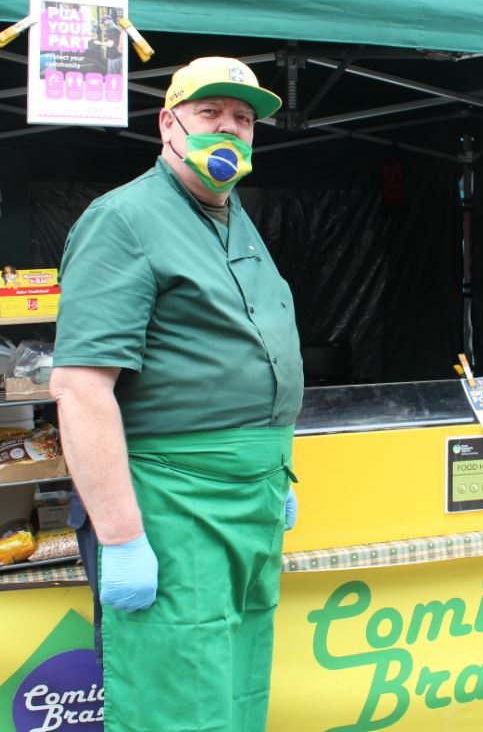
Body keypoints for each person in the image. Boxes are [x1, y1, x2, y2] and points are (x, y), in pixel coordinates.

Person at [49, 57, 304, 732]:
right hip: (169, 502)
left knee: (237, 680)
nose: (230, 129)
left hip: (248, 496)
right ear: (168, 123)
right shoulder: (125, 219)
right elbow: (79, 387)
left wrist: (272, 463)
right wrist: (124, 536)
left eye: (243, 119)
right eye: (209, 113)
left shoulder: (232, 215)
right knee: (177, 694)